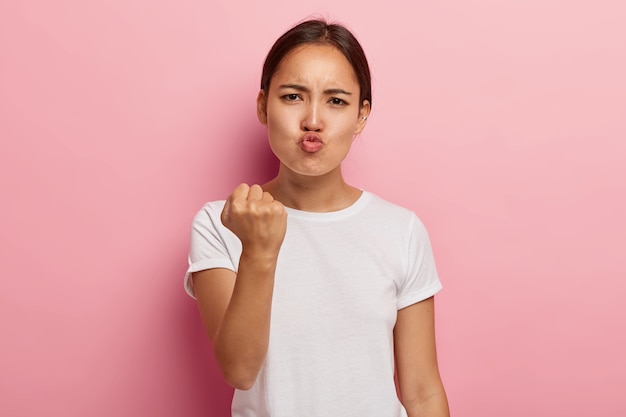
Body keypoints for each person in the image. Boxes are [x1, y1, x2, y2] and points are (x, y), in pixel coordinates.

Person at [185, 18, 450, 417]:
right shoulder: (222, 223)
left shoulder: (402, 230)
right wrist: (259, 252)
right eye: (293, 96)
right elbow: (239, 370)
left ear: (362, 115)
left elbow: (422, 392)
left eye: (336, 101)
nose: (313, 120)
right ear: (263, 105)